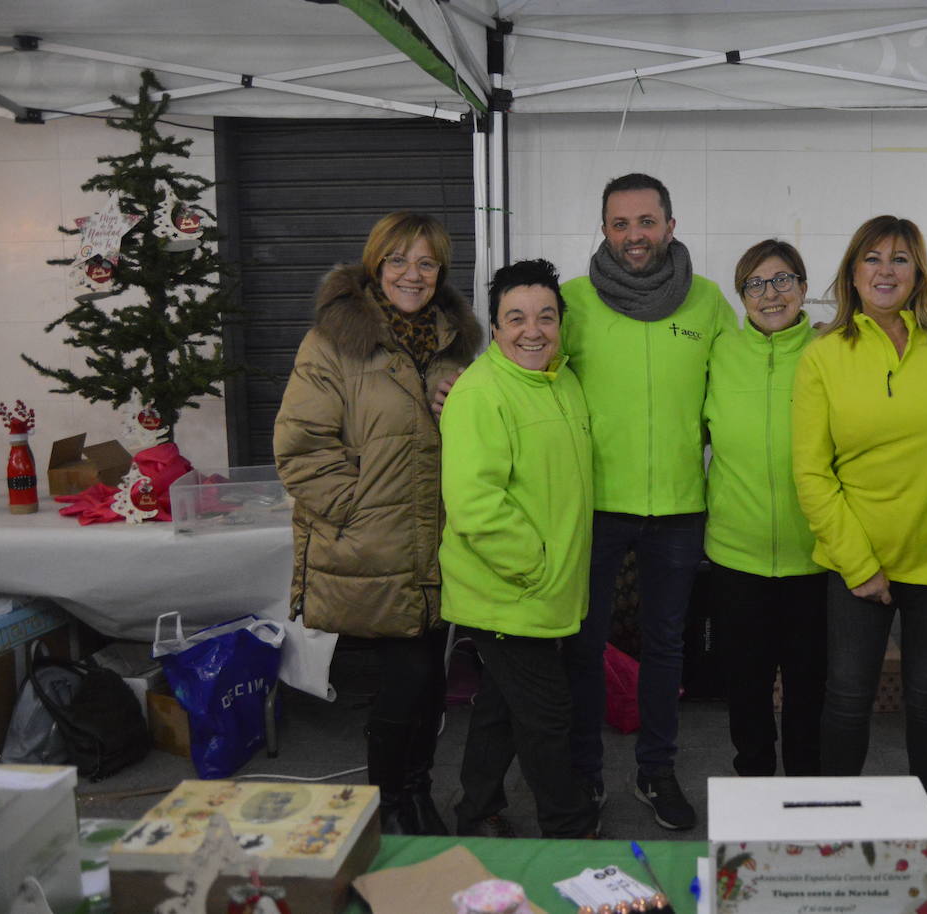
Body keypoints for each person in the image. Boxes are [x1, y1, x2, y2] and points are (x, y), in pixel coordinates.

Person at [274, 211, 481, 835]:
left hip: (440, 543)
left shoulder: (458, 345)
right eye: (397, 261)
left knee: (426, 680)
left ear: (440, 271)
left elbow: (480, 441)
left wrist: (464, 407)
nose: (411, 275)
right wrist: (357, 514)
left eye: (426, 262)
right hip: (377, 542)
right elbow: (299, 447)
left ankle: (411, 794)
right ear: (375, 265)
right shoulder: (333, 342)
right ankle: (393, 804)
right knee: (408, 676)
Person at [560, 173, 735, 830]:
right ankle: (584, 774)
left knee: (666, 646)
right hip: (597, 508)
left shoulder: (710, 303)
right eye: (620, 223)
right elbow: (529, 378)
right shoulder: (571, 302)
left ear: (670, 224)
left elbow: (736, 394)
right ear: (604, 230)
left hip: (680, 509)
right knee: (583, 644)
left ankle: (655, 770)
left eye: (646, 221)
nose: (634, 236)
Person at [791, 215, 927, 813]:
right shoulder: (822, 356)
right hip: (856, 562)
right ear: (852, 273)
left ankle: (926, 828)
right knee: (845, 700)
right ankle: (833, 830)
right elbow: (812, 473)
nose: (885, 270)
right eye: (872, 258)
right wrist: (858, 564)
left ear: (919, 271)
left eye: (899, 258)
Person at [439, 258, 598, 839]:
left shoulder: (563, 381)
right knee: (548, 716)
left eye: (546, 317)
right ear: (496, 326)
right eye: (516, 318)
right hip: (508, 589)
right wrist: (535, 566)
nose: (533, 330)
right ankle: (569, 828)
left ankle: (475, 812)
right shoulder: (482, 393)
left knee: (502, 708)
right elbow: (474, 503)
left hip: (542, 590)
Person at [704, 239, 826, 777]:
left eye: (781, 280)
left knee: (808, 689)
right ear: (741, 297)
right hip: (736, 556)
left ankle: (803, 793)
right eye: (754, 284)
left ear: (803, 286)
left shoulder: (830, 352)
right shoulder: (719, 354)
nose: (769, 294)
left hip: (816, 557)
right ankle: (753, 787)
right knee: (745, 688)